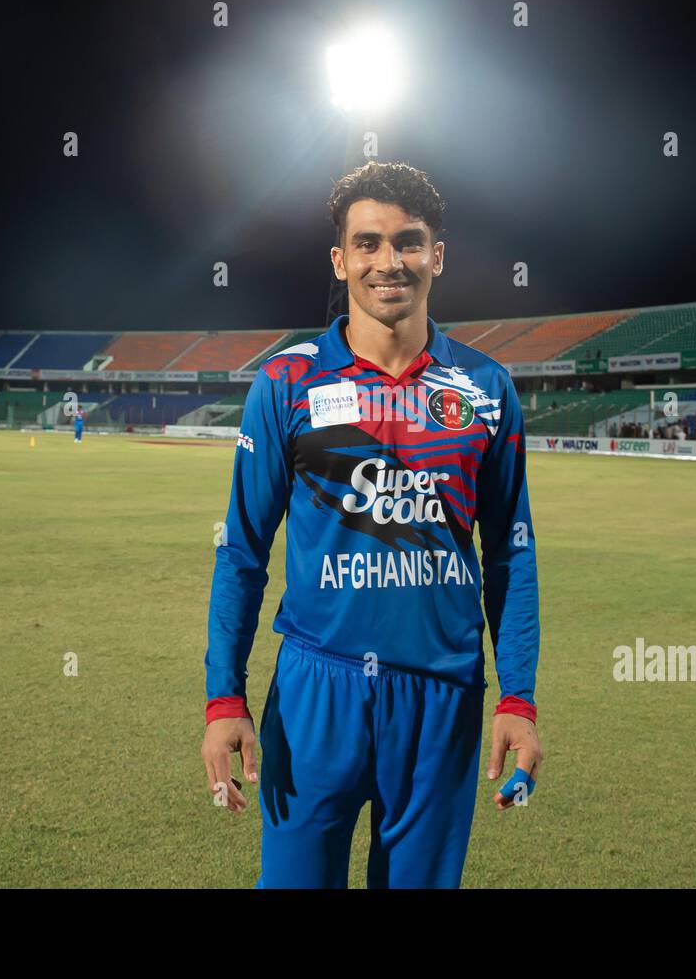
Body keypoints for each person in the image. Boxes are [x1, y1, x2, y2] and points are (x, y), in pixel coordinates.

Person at [202, 161, 542, 889]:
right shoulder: (287, 382)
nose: (389, 261)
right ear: (341, 260)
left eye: (408, 242)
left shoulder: (485, 389)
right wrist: (223, 698)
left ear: (437, 256)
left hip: (440, 696)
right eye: (368, 243)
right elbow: (242, 553)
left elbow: (511, 555)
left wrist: (518, 696)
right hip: (312, 691)